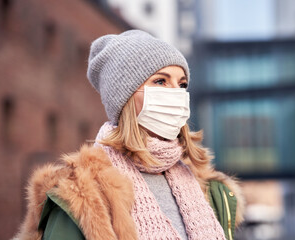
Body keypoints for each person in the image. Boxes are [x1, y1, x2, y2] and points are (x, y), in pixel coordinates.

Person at [14, 30, 244, 240]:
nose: (177, 93)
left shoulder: (211, 191)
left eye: (182, 84)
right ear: (123, 99)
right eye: (161, 81)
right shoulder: (83, 195)